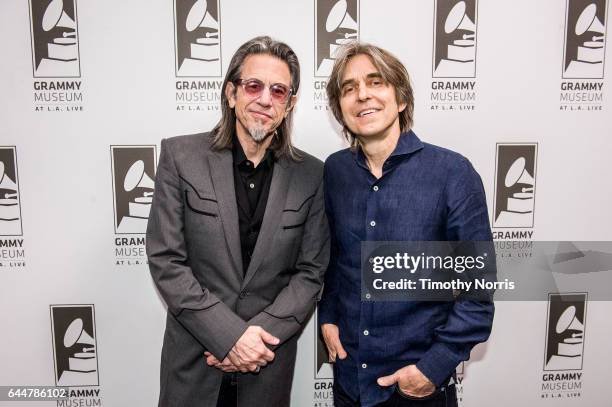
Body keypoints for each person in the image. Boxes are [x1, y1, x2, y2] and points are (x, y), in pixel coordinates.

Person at [146, 36, 329, 407]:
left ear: (290, 104)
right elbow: (166, 260)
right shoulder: (180, 157)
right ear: (231, 93)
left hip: (267, 368)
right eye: (253, 86)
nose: (265, 99)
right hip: (194, 366)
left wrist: (254, 342)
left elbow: (311, 272)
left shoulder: (312, 174)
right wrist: (229, 337)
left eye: (279, 91)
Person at [318, 42, 494, 407]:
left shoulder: (452, 174)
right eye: (348, 89)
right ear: (340, 109)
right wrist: (329, 314)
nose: (362, 95)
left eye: (375, 82)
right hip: (349, 384)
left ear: (400, 99)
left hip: (416, 390)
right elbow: (335, 260)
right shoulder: (335, 172)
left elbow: (478, 290)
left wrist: (434, 368)